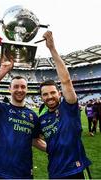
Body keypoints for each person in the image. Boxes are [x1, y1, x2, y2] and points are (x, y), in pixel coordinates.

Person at [0, 57, 46, 179]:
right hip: (0, 171)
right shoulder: (0, 109)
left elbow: (35, 140)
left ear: (27, 89)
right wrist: (3, 70)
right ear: (9, 89)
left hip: (24, 173)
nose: (19, 90)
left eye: (23, 87)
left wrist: (57, 150)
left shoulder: (33, 116)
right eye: (16, 87)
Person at [39, 31, 92, 179]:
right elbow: (34, 138)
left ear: (59, 93)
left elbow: (66, 81)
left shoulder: (68, 108)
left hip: (77, 170)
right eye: (45, 94)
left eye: (52, 93)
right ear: (42, 97)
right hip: (55, 172)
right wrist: (49, 148)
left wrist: (52, 49)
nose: (49, 97)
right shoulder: (42, 119)